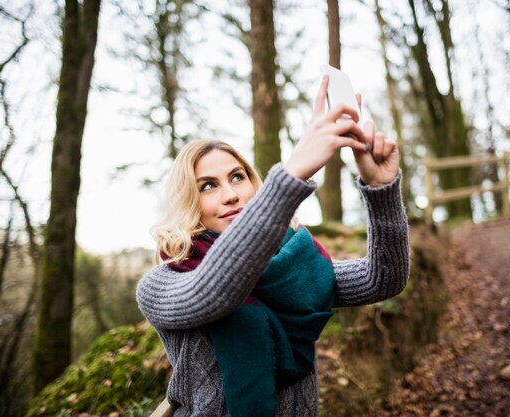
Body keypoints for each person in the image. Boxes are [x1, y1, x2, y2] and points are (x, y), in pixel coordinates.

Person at [136, 76, 410, 417]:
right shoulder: (162, 284)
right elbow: (217, 289)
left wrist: (381, 190)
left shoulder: (291, 265)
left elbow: (382, 279)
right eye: (208, 186)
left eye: (238, 177)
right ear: (188, 202)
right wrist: (293, 172)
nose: (231, 194)